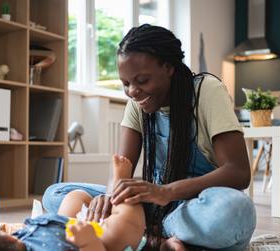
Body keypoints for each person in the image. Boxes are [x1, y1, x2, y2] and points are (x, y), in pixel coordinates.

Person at [43, 24, 256, 250]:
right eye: (126, 83)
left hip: (195, 205)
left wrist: (167, 192)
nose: (133, 91)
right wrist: (108, 196)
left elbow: (239, 172)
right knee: (55, 194)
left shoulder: (206, 91)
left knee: (236, 211)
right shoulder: (136, 104)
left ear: (168, 67)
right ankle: (160, 241)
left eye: (142, 80)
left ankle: (139, 235)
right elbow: (121, 168)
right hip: (153, 202)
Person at [0, 155, 146, 251]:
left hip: (66, 223)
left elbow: (29, 229)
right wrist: (88, 242)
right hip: (100, 241)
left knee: (73, 195)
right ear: (7, 244)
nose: (4, 232)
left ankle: (107, 202)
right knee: (122, 229)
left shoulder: (16, 238)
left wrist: (13, 228)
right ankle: (122, 179)